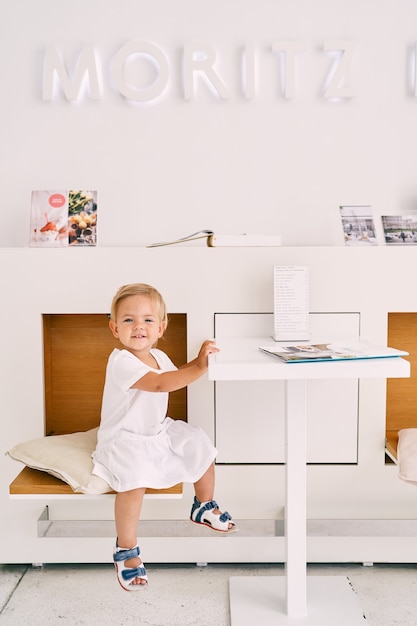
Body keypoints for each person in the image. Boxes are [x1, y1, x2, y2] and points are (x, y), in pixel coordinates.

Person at [92, 283, 237, 591]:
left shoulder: (157, 355)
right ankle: (125, 548)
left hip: (156, 431)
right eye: (128, 320)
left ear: (161, 327)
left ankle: (203, 504)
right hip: (124, 440)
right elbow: (160, 386)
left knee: (201, 445)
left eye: (147, 320)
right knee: (133, 482)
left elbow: (172, 374)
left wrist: (200, 362)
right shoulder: (121, 361)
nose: (138, 327)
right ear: (114, 328)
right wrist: (199, 366)